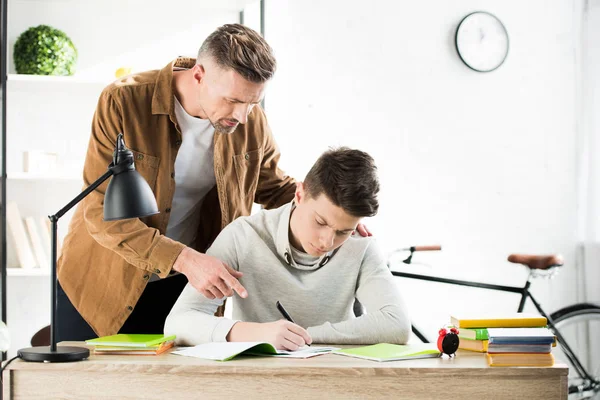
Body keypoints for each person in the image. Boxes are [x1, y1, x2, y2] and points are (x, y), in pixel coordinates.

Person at [56, 24, 370, 341]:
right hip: (100, 284)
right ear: (199, 76)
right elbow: (99, 212)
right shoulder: (123, 102)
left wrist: (330, 214)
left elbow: (274, 188)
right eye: (233, 100)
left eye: (253, 103)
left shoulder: (251, 122)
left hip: (183, 289)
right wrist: (185, 259)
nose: (243, 116)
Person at [165, 148, 410, 349]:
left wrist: (302, 336)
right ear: (300, 194)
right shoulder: (243, 235)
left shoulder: (361, 246)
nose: (326, 241)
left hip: (336, 382)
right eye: (321, 222)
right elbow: (178, 323)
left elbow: (396, 323)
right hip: (258, 384)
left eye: (342, 231)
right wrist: (257, 334)